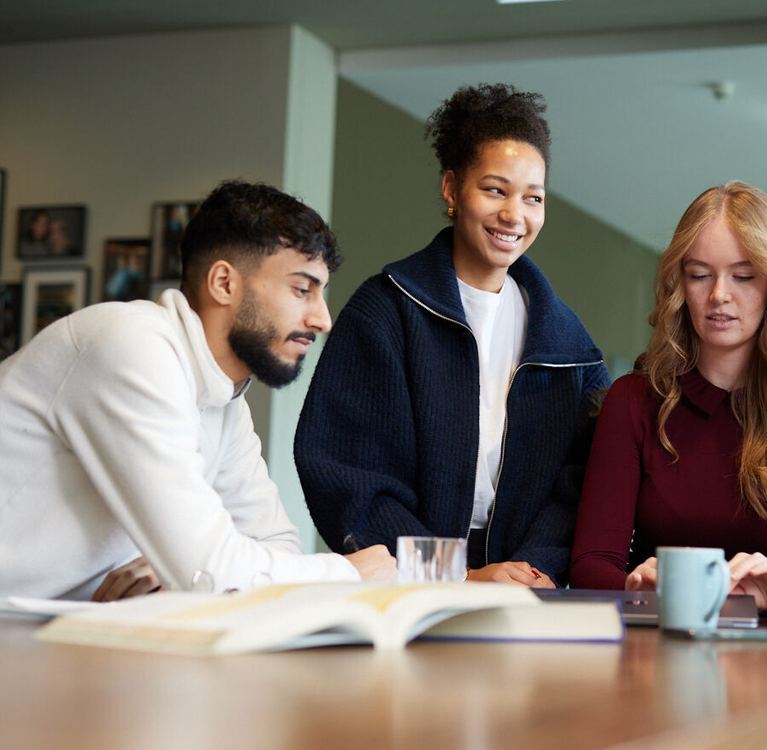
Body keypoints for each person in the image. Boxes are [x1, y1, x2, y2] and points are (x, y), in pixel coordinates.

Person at [0, 180, 394, 601]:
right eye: (302, 290)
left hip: (50, 633)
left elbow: (275, 543)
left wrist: (176, 567)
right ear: (224, 282)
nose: (322, 319)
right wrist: (348, 573)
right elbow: (214, 570)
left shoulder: (223, 397)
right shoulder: (128, 343)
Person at [295, 83, 608, 589]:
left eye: (533, 197)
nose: (514, 215)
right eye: (495, 189)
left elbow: (583, 484)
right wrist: (457, 577)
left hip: (526, 591)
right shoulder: (387, 311)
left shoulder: (569, 347)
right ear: (451, 189)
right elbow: (347, 475)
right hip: (406, 590)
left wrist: (534, 570)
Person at [570, 182, 767, 612]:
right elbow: (591, 563)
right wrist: (633, 585)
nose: (718, 295)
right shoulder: (632, 401)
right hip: (656, 640)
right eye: (700, 275)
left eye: (743, 276)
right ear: (679, 284)